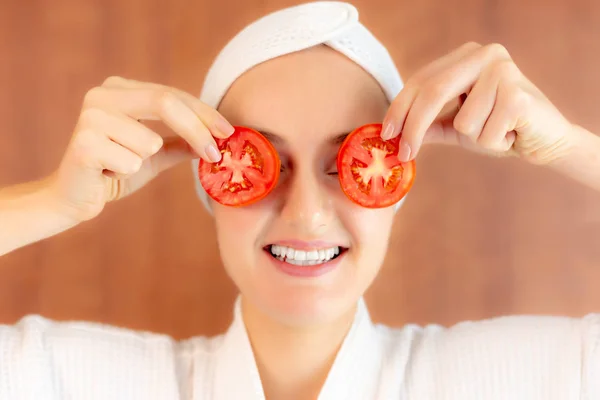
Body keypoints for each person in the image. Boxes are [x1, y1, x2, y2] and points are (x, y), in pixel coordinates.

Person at [0, 2, 599, 399]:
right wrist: (55, 202)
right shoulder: (74, 381)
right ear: (210, 184)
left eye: (351, 165)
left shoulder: (517, 379)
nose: (307, 212)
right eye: (263, 163)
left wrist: (569, 146)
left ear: (394, 190)